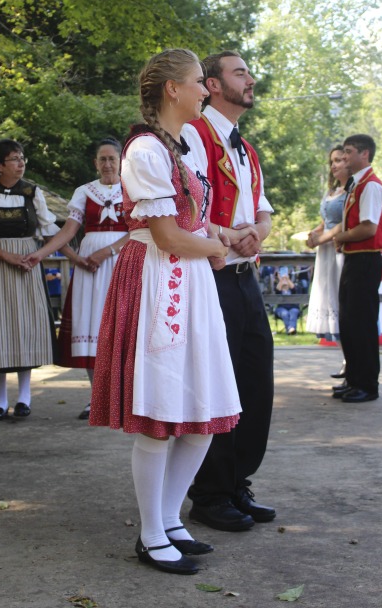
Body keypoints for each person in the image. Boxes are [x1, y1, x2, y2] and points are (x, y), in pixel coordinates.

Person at [89, 48, 246, 576]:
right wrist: (216, 249)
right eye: (200, 82)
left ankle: (170, 519)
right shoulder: (143, 151)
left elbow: (193, 223)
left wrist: (225, 235)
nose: (207, 90)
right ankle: (151, 533)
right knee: (158, 417)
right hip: (159, 281)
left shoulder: (187, 149)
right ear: (172, 90)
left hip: (191, 280)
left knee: (202, 413)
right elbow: (165, 233)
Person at [183, 49, 276, 532]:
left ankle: (237, 482)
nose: (251, 79)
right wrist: (229, 233)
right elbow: (189, 208)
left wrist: (256, 230)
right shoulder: (194, 135)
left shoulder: (246, 147)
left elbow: (263, 208)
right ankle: (210, 493)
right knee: (217, 383)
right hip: (212, 277)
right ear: (214, 85)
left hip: (245, 278)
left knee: (256, 381)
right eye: (240, 72)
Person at [0, 139, 67, 421]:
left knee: (24, 326)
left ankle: (24, 398)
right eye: (14, 159)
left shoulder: (32, 192)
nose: (20, 164)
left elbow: (50, 231)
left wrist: (38, 256)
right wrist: (7, 256)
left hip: (27, 267)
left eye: (22, 159)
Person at [50, 138, 129, 419]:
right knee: (91, 326)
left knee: (122, 326)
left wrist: (107, 251)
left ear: (122, 161)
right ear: (95, 163)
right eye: (102, 159)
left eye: (112, 158)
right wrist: (64, 256)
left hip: (122, 262)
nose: (107, 164)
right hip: (88, 267)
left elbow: (139, 229)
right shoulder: (84, 191)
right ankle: (96, 396)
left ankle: (121, 398)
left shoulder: (133, 189)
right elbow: (69, 230)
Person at [332, 134, 382, 403]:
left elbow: (369, 227)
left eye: (349, 151)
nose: (344, 157)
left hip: (366, 260)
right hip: (355, 259)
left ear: (365, 154)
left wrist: (340, 236)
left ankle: (367, 384)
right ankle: (354, 379)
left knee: (362, 323)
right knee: (349, 321)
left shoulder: (371, 186)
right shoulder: (358, 184)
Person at [306, 146, 349, 375]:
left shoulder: (351, 192)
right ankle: (346, 360)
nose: (334, 165)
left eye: (340, 160)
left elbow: (346, 223)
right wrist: (314, 234)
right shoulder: (332, 191)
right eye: (332, 160)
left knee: (341, 302)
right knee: (330, 300)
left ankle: (351, 362)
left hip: (339, 250)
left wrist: (323, 237)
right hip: (325, 252)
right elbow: (325, 221)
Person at [273, 267, 300, 335]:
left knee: (293, 312)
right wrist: (281, 280)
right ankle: (291, 329)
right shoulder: (279, 288)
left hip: (293, 307)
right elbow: (277, 290)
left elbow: (294, 289)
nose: (285, 281)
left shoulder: (292, 288)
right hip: (281, 308)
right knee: (285, 313)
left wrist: (287, 279)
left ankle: (290, 329)